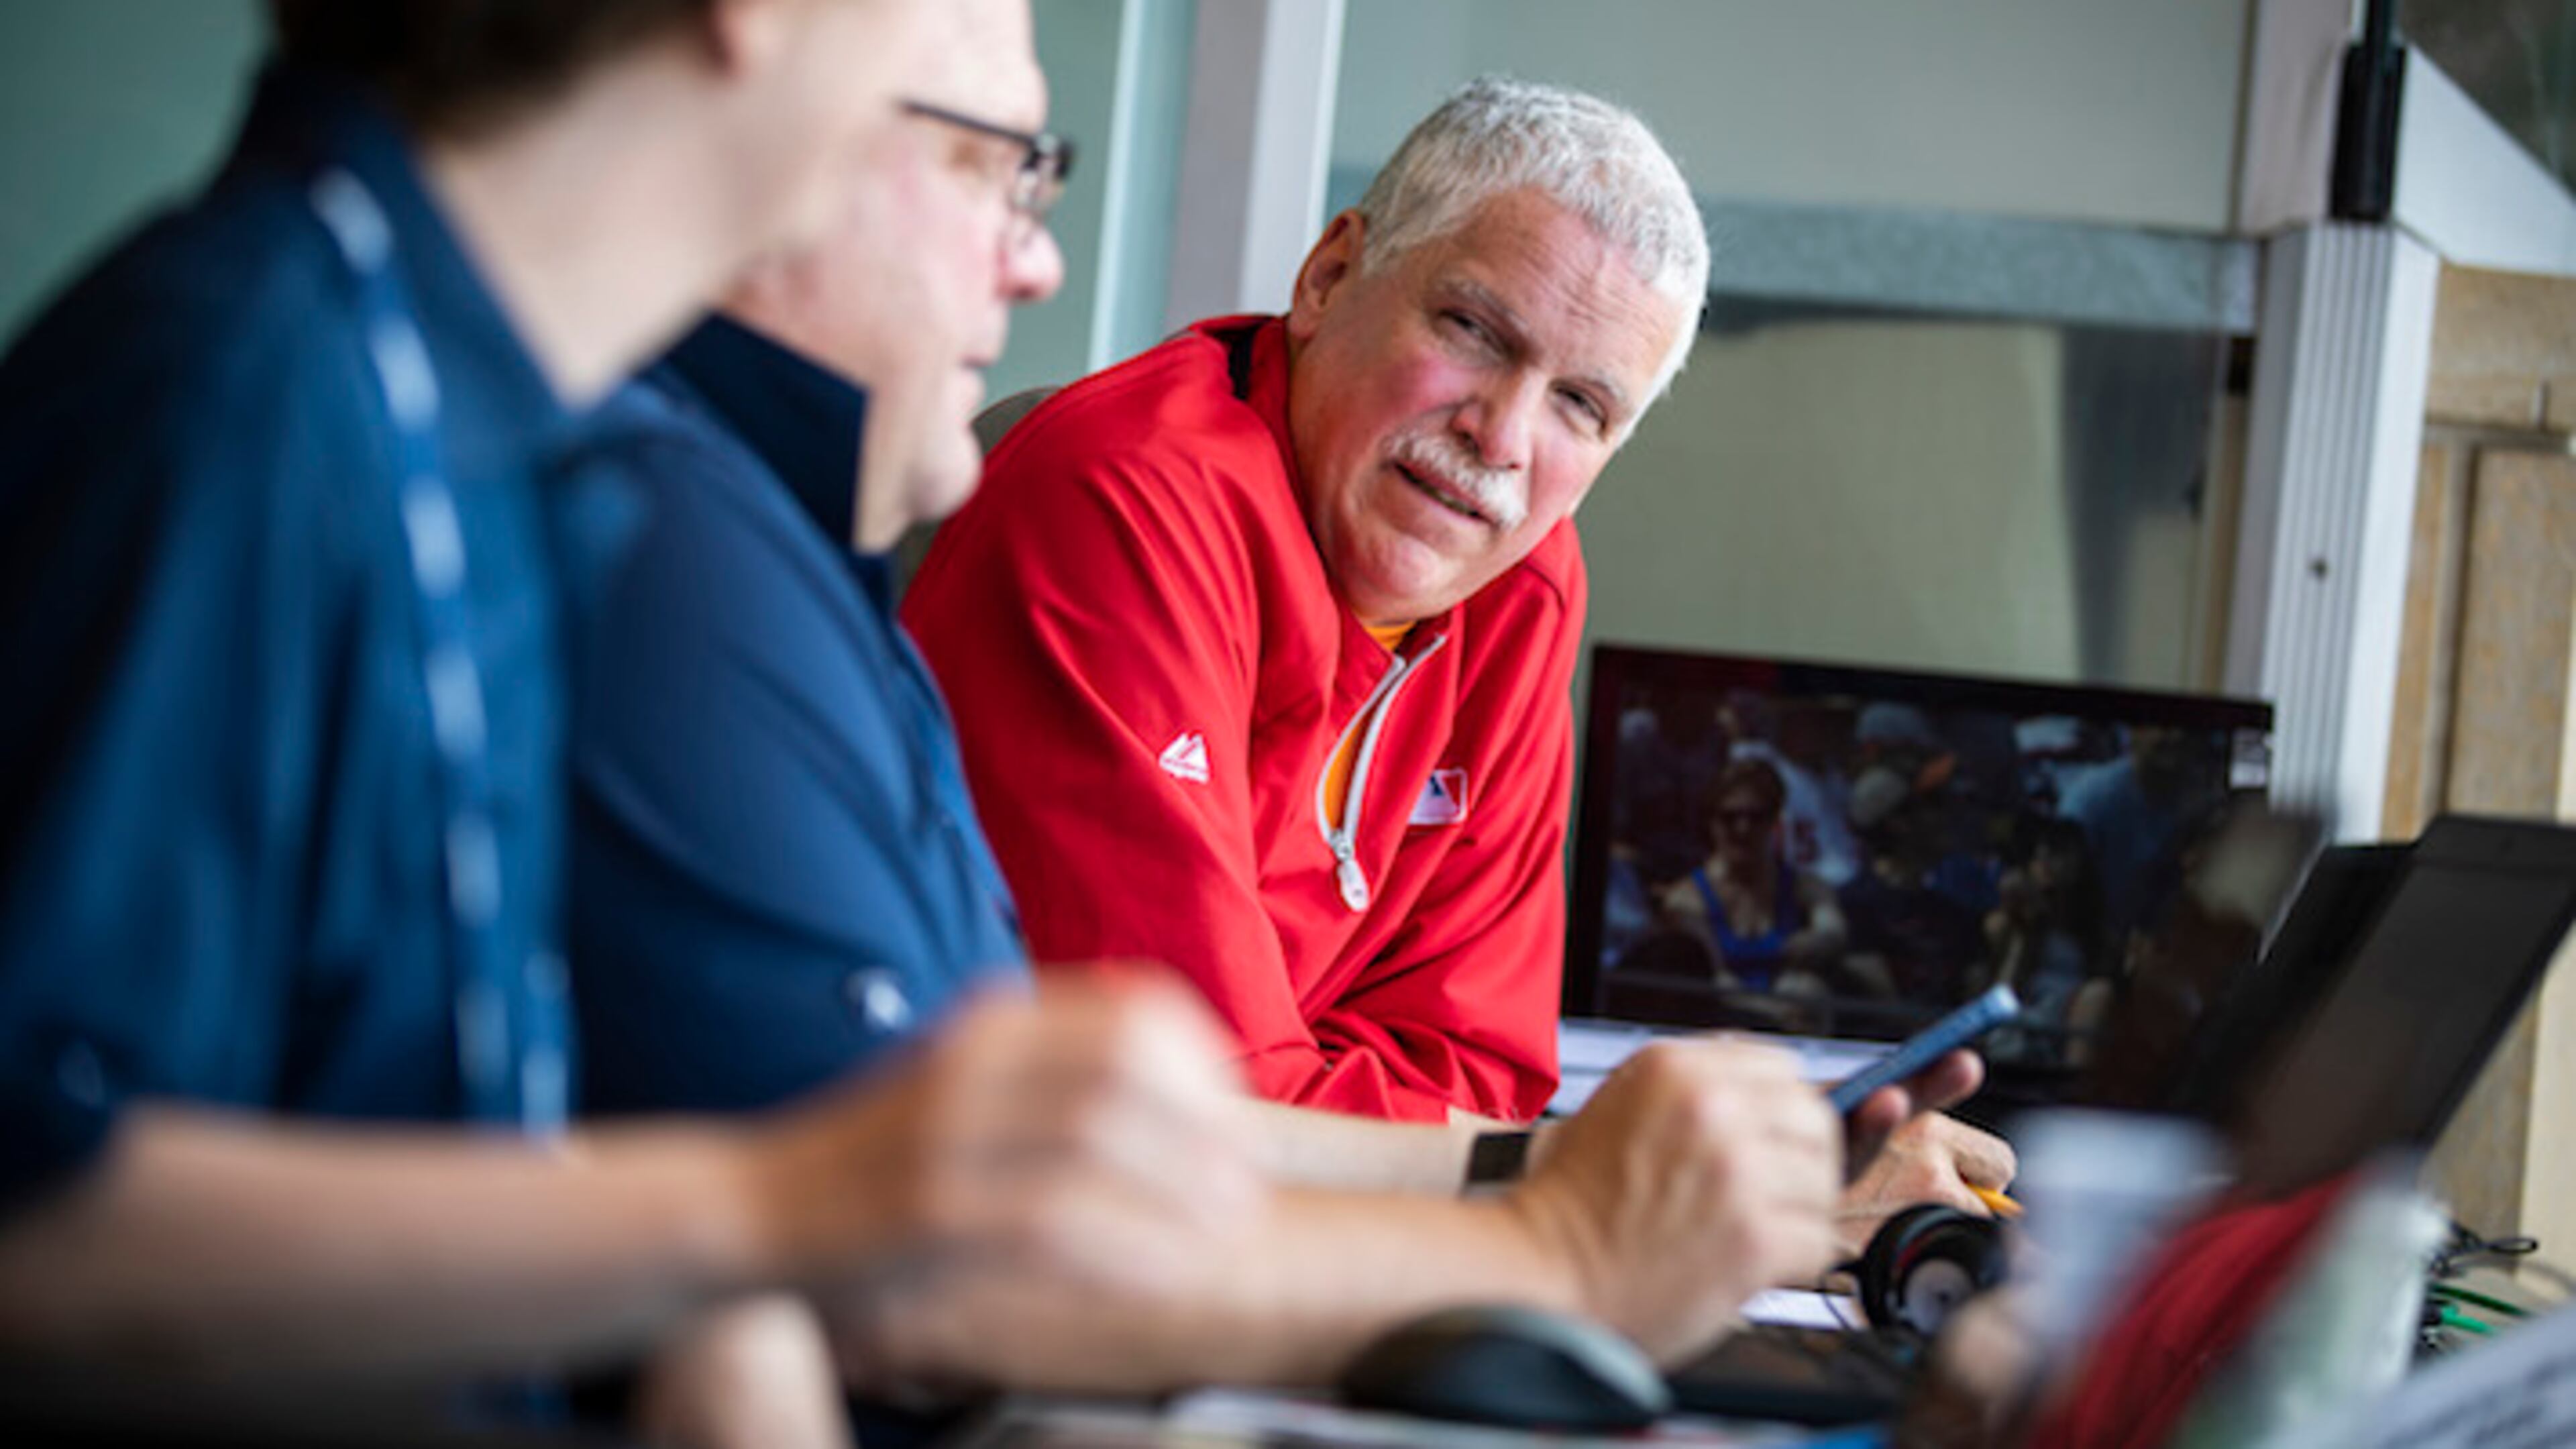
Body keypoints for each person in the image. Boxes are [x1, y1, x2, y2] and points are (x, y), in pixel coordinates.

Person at [556, 3, 1893, 1411]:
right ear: (1329, 275)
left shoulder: (1519, 574)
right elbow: (1141, 1143)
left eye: (1581, 408)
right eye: (1469, 330)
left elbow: (1471, 1083)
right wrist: (1551, 1227)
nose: (1501, 439)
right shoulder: (1087, 500)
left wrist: (1532, 1173)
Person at [0, 0, 1259, 1424]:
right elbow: (33, 1224)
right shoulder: (239, 393)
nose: (1029, 243)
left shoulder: (517, 435)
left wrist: (720, 1321)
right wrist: (787, 1201)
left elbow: (436, 1130)